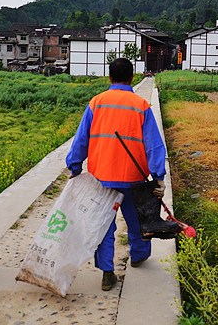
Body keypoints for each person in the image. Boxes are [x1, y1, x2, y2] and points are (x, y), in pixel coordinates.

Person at [66, 58, 167, 291]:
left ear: (110, 77)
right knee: (137, 219)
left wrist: (75, 166)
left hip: (101, 179)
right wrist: (158, 176)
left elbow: (81, 139)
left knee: (104, 224)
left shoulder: (96, 103)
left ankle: (107, 272)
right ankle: (138, 256)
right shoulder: (141, 106)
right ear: (132, 78)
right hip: (133, 178)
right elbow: (153, 144)